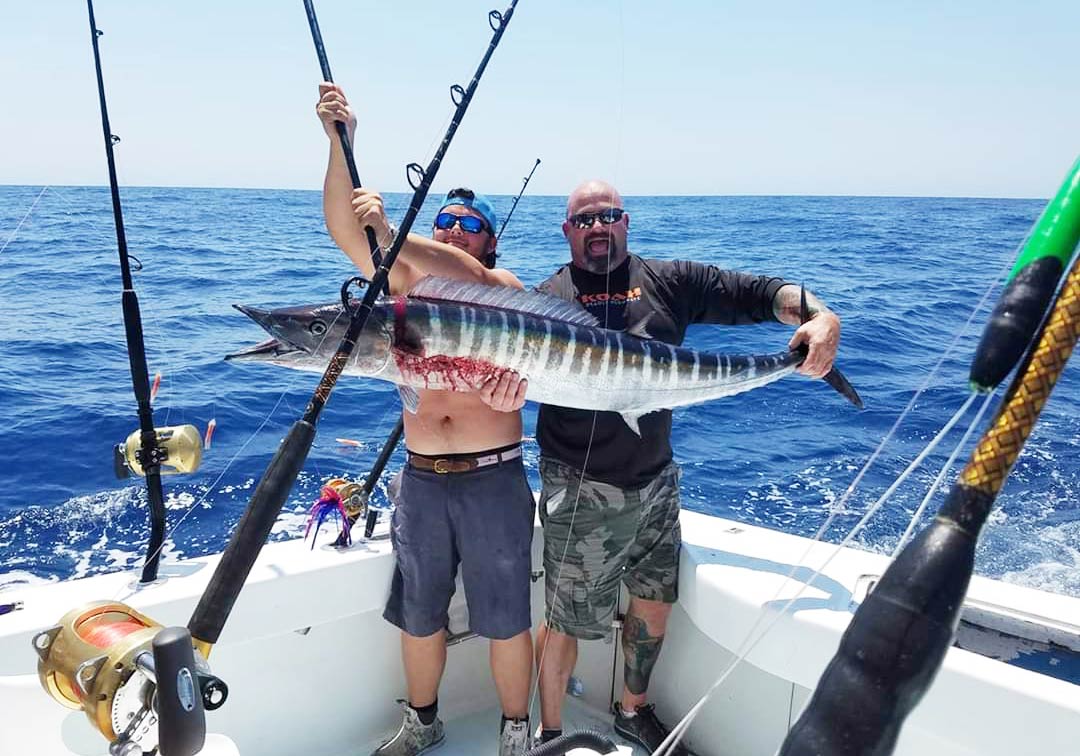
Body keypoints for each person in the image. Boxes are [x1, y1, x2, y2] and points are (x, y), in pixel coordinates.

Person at [483, 179, 842, 754]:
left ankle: (632, 710)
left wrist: (821, 317)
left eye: (610, 215)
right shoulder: (546, 300)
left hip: (657, 480)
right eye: (584, 220)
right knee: (566, 618)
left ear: (626, 222)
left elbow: (761, 293)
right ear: (567, 231)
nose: (598, 226)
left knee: (654, 599)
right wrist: (502, 397)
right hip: (580, 487)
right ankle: (550, 734)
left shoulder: (672, 281)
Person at [317, 82, 534, 756]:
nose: (454, 230)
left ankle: (517, 731)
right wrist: (338, 143)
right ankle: (422, 721)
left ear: (489, 242)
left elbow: (453, 267)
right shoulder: (403, 286)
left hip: (493, 479)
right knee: (418, 618)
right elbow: (342, 229)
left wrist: (394, 231)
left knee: (506, 621)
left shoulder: (504, 292)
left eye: (470, 223)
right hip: (420, 480)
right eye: (445, 219)